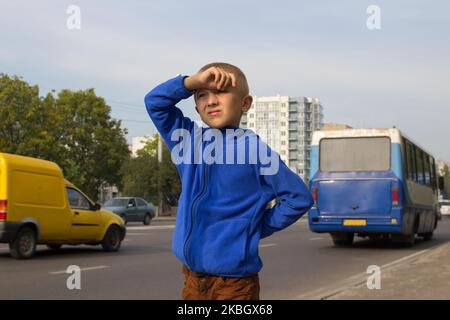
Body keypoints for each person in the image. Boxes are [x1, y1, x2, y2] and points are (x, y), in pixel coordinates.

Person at [145, 62, 314, 300]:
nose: (211, 101)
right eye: (202, 94)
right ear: (196, 106)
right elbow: (155, 103)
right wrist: (191, 82)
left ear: (245, 103)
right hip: (192, 278)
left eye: (221, 92)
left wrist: (253, 228)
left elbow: (298, 198)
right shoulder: (187, 142)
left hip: (234, 284)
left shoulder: (256, 152)